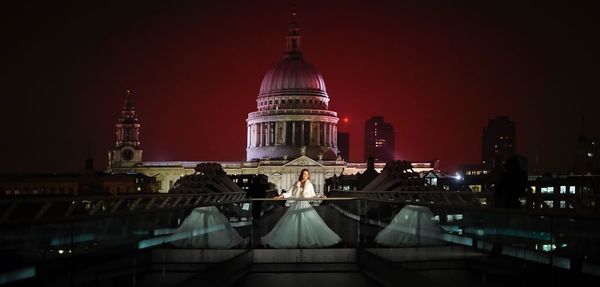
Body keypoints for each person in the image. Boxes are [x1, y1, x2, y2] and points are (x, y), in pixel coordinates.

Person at [261, 169, 341, 248]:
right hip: (296, 204)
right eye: (303, 174)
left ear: (308, 175)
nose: (305, 175)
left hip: (305, 204)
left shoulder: (309, 185)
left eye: (306, 174)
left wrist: (320, 196)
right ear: (301, 175)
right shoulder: (297, 183)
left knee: (310, 223)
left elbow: (313, 195)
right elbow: (289, 193)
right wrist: (280, 196)